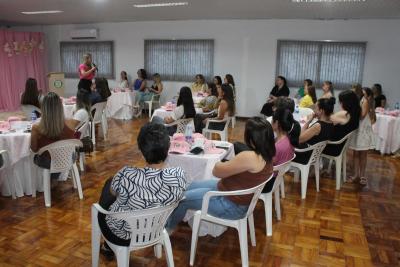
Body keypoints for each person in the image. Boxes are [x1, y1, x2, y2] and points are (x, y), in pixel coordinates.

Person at [166, 117, 275, 231]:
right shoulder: (268, 156)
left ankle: (167, 229)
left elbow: (216, 171)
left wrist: (225, 163)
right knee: (188, 186)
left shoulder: (249, 157)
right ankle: (174, 218)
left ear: (251, 138)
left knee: (182, 199)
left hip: (230, 204)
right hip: (230, 193)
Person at [98, 123, 187, 253]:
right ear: (167, 149)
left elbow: (113, 192)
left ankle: (107, 246)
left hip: (121, 235)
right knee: (116, 188)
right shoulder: (179, 176)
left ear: (140, 149)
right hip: (154, 229)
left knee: (109, 185)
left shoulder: (126, 175)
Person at [30, 92, 76, 179]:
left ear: (43, 108)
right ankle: (54, 179)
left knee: (37, 157)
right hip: (68, 158)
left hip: (48, 162)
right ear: (60, 107)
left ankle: (45, 182)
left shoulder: (36, 128)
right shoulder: (71, 123)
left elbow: (34, 149)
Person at [292, 98, 335, 165]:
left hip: (306, 155)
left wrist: (309, 121)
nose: (314, 111)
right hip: (315, 154)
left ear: (321, 111)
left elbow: (300, 139)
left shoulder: (318, 126)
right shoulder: (331, 123)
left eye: (315, 108)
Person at [348, 87, 376, 186]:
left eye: (363, 93)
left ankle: (362, 175)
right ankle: (356, 174)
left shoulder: (365, 101)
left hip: (363, 128)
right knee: (355, 153)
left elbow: (362, 115)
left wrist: (353, 112)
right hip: (358, 128)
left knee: (363, 154)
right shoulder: (360, 100)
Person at [322, 90, 361, 157]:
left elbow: (325, 120)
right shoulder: (355, 114)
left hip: (332, 147)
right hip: (340, 146)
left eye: (340, 101)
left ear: (346, 102)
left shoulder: (344, 114)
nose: (340, 103)